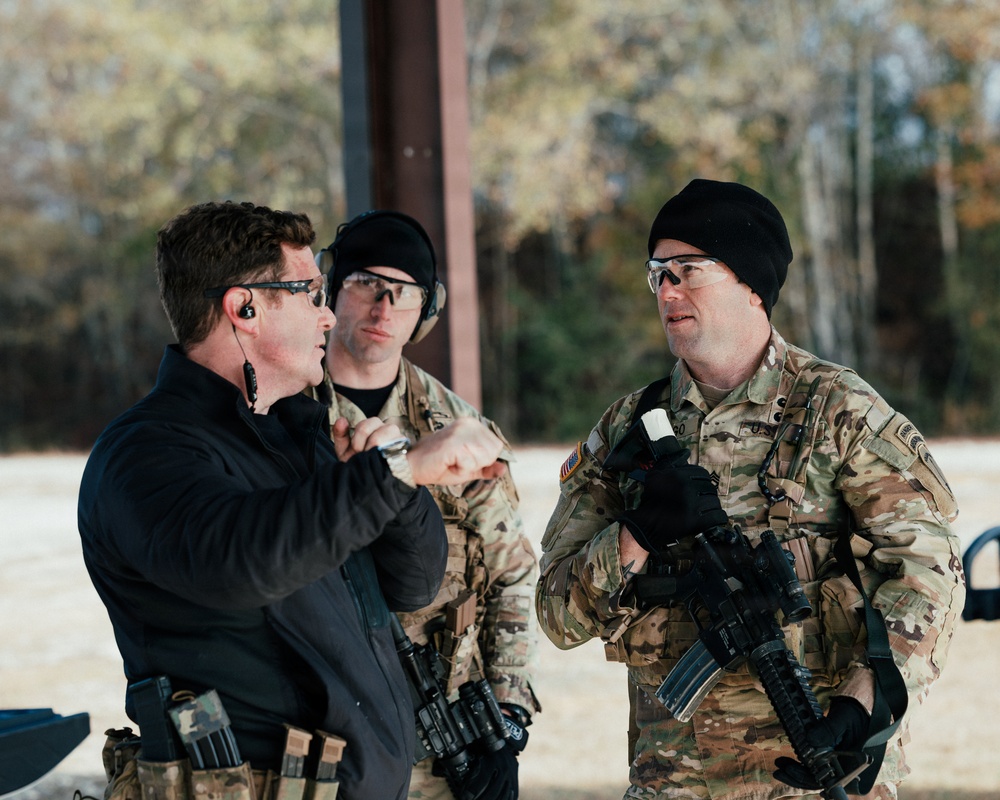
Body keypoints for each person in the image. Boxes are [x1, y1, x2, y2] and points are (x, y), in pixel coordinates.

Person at [535, 179, 966, 800]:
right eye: (657, 273)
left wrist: (863, 703)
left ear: (752, 285)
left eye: (688, 269)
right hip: (675, 781)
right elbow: (556, 614)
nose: (667, 289)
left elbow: (930, 572)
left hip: (814, 770)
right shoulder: (627, 431)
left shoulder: (839, 412)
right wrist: (636, 536)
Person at [78, 200, 509, 800]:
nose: (328, 316)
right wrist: (397, 470)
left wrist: (395, 483)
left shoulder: (300, 434)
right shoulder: (145, 453)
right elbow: (241, 559)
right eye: (309, 292)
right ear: (243, 308)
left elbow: (414, 583)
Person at [315, 210, 540, 800]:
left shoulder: (458, 432)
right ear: (330, 289)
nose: (384, 308)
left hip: (442, 740)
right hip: (323, 736)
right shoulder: (287, 416)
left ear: (426, 309)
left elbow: (512, 575)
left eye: (404, 292)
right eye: (366, 283)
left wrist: (509, 716)